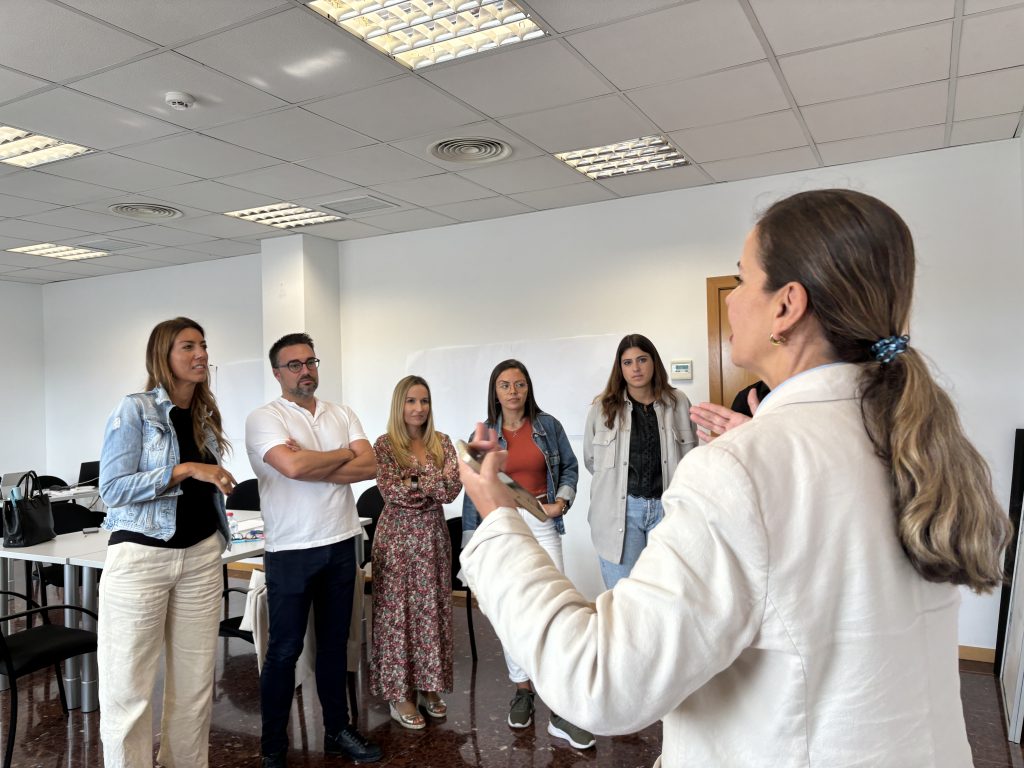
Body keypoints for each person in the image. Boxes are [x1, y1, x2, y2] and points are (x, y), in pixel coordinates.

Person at [456, 189, 1010, 767]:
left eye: (742, 279)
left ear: (786, 306)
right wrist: (759, 449)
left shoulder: (742, 467)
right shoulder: (914, 439)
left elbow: (600, 679)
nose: (733, 300)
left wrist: (496, 515)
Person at [98, 316, 237, 768]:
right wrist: (187, 470)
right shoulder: (135, 409)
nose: (201, 354)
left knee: (195, 687)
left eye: (203, 345)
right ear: (164, 355)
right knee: (128, 690)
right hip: (141, 557)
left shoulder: (204, 414)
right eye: (187, 346)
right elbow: (112, 489)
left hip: (200, 556)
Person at [245, 333, 382, 768]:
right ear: (277, 373)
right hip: (291, 549)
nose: (305, 370)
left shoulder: (341, 412)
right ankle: (273, 746)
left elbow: (370, 464)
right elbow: (291, 465)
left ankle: (337, 731)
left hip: (341, 541)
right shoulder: (264, 418)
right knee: (284, 651)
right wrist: (340, 456)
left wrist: (314, 460)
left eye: (310, 362)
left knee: (335, 646)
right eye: (294, 364)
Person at [462, 359, 595, 750]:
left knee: (555, 608)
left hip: (541, 520)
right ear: (495, 391)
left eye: (519, 384)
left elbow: (569, 468)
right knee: (513, 609)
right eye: (505, 385)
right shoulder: (484, 434)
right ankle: (523, 690)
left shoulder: (547, 426)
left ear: (528, 388)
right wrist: (472, 545)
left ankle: (560, 706)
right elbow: (473, 492)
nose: (513, 391)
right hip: (504, 525)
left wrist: (561, 503)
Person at [371, 375, 463, 729]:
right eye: (411, 401)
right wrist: (430, 481)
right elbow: (392, 491)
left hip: (433, 540)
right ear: (400, 405)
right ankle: (399, 694)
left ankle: (429, 687)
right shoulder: (384, 445)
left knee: (431, 614)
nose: (419, 408)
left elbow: (451, 490)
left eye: (424, 401)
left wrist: (414, 478)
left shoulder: (442, 442)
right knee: (397, 617)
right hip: (395, 541)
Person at [583, 334, 696, 588]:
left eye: (642, 360)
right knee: (623, 596)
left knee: (666, 593)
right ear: (620, 368)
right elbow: (591, 460)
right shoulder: (602, 407)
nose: (636, 368)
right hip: (620, 513)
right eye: (628, 362)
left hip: (666, 511)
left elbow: (690, 456)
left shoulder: (678, 402)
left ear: (654, 362)